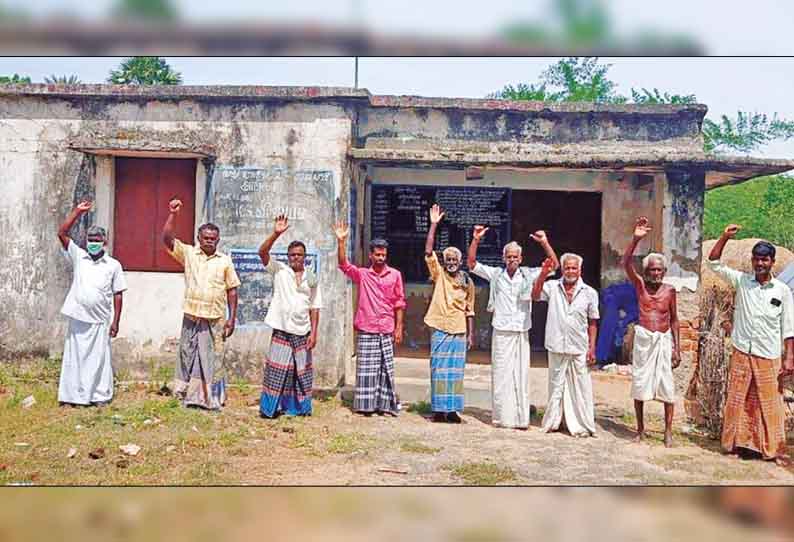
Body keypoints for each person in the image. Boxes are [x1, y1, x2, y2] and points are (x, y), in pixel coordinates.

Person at [708, 224, 794, 466]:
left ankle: (773, 450)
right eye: (756, 259)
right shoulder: (742, 281)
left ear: (772, 262)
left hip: (768, 355)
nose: (760, 264)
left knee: (771, 404)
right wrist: (724, 237)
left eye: (764, 260)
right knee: (738, 400)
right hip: (742, 351)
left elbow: (789, 328)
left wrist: (789, 358)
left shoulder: (782, 291)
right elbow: (713, 263)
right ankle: (734, 445)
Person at [467, 226, 559, 429]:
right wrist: (475, 240)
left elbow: (554, 266)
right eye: (509, 257)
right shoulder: (496, 274)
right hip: (500, 331)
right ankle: (501, 418)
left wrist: (544, 242)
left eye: (515, 257)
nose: (512, 260)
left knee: (520, 375)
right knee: (501, 375)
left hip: (520, 331)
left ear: (521, 258)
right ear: (503, 258)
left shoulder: (528, 275)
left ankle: (520, 419)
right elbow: (472, 264)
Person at [163, 198, 240, 410]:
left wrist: (232, 319)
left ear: (218, 240)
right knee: (187, 355)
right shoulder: (189, 254)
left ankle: (210, 398)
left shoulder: (224, 261)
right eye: (205, 238)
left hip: (214, 318)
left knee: (211, 359)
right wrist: (173, 214)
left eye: (212, 239)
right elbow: (167, 239)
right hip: (191, 315)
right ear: (199, 238)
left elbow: (232, 290)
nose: (208, 241)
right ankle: (186, 396)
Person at [57, 200, 127, 406]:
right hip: (78, 318)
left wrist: (116, 321)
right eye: (90, 239)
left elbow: (118, 294)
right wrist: (77, 212)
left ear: (104, 242)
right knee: (74, 359)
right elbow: (62, 233)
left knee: (99, 360)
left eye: (97, 239)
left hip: (100, 321)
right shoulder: (79, 256)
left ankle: (99, 396)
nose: (93, 242)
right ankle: (71, 397)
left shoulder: (113, 265)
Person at [335, 222, 406, 416]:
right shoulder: (363, 275)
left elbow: (399, 303)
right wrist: (341, 241)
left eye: (383, 255)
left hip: (387, 328)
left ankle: (384, 405)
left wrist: (399, 328)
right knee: (367, 370)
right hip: (367, 328)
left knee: (385, 370)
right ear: (371, 256)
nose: (381, 258)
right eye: (377, 254)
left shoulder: (395, 275)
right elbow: (343, 265)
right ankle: (365, 406)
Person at [622, 216, 680, 447]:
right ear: (646, 271)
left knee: (667, 386)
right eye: (652, 270)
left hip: (664, 340)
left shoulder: (670, 291)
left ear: (664, 271)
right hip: (644, 339)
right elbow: (626, 263)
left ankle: (667, 432)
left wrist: (677, 348)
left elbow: (675, 320)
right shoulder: (640, 286)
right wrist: (636, 239)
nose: (656, 274)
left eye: (659, 270)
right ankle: (640, 430)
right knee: (640, 383)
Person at [258, 214, 321, 417]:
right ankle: (270, 408)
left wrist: (314, 333)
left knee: (301, 372)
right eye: (292, 254)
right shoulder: (279, 270)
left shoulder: (311, 278)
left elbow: (315, 306)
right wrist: (276, 233)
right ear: (288, 256)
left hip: (302, 330)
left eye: (299, 255)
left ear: (305, 257)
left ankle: (298, 408)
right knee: (276, 370)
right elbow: (262, 252)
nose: (296, 258)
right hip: (282, 330)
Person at [532, 252, 599, 437]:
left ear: (580, 270)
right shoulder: (553, 287)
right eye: (567, 267)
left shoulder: (590, 293)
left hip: (579, 345)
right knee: (556, 385)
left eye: (574, 268)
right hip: (556, 343)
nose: (570, 271)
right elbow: (535, 295)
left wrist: (592, 347)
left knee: (581, 386)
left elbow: (593, 321)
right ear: (562, 269)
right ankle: (555, 421)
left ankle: (581, 424)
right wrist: (543, 274)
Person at [423, 204, 475, 423]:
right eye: (448, 260)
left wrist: (471, 335)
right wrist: (434, 225)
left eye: (455, 260)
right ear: (444, 262)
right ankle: (438, 410)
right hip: (440, 327)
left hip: (459, 330)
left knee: (455, 372)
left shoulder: (467, 281)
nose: (451, 263)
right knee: (438, 369)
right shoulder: (439, 275)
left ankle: (452, 411)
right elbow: (428, 252)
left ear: (460, 262)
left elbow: (470, 310)